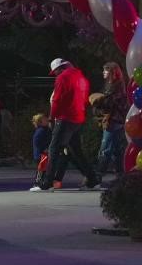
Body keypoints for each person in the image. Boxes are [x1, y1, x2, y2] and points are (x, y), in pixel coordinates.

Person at [34, 58, 100, 191]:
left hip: (65, 118)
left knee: (54, 149)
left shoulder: (62, 78)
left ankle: (47, 183)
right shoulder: (82, 78)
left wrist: (52, 118)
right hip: (78, 117)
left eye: (55, 71)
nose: (56, 74)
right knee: (76, 151)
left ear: (60, 69)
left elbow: (57, 100)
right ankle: (92, 180)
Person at [97, 63, 130, 181]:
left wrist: (99, 102)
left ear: (112, 73)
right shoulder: (111, 85)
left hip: (114, 120)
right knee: (117, 150)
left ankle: (98, 176)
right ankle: (121, 176)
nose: (103, 73)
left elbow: (110, 103)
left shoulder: (116, 86)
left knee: (105, 149)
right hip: (115, 120)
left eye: (106, 71)